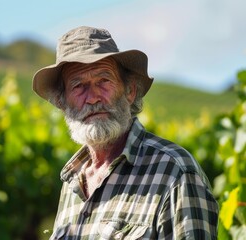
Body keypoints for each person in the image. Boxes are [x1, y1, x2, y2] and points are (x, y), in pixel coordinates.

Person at [32, 26, 219, 239]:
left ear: (130, 91)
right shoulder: (72, 183)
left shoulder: (175, 171)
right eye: (78, 86)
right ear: (62, 103)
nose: (92, 97)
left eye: (104, 81)